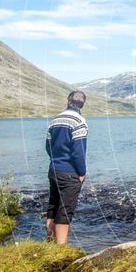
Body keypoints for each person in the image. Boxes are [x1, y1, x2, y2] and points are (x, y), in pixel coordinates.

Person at [45, 91, 88, 244]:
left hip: (54, 169)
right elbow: (79, 151)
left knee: (53, 205)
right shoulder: (79, 121)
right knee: (65, 210)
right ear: (83, 104)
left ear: (68, 101)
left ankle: (49, 243)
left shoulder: (55, 120)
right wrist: (82, 172)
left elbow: (48, 147)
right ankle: (60, 249)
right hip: (70, 173)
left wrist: (55, 160)